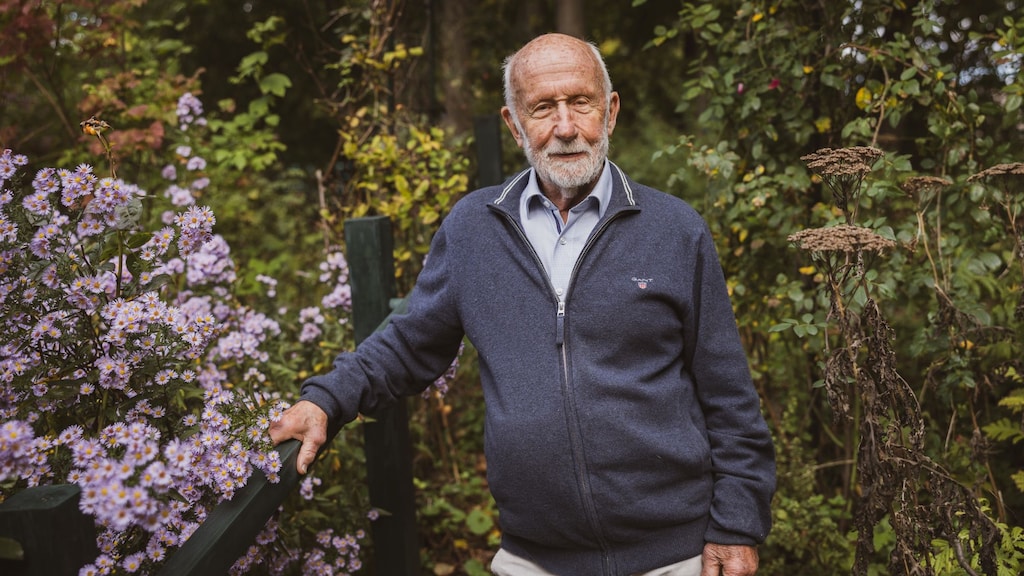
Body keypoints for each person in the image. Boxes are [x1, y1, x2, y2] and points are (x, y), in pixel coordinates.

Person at [269, 33, 776, 576]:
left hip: (676, 556)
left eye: (580, 102)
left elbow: (729, 396)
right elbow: (408, 345)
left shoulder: (674, 229)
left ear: (610, 111)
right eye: (542, 108)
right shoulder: (473, 229)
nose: (564, 127)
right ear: (513, 124)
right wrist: (325, 401)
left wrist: (737, 525)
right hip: (532, 558)